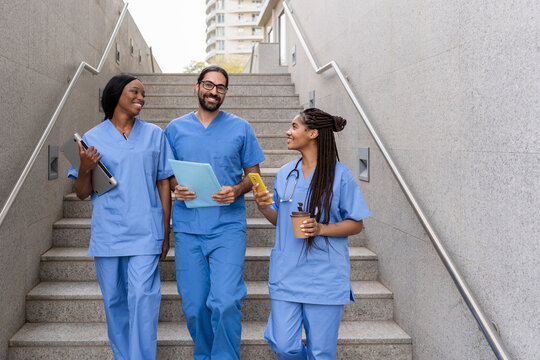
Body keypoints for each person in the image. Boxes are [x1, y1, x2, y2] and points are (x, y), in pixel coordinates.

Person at [68, 74, 174, 359]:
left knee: (142, 298)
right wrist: (84, 167)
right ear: (116, 95)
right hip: (109, 231)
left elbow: (164, 182)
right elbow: (80, 192)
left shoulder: (155, 134)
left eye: (143, 93)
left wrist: (165, 229)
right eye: (135, 92)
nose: (141, 97)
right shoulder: (91, 137)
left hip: (145, 230)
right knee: (115, 301)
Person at [252, 108, 371, 360]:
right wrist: (263, 206)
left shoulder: (340, 175)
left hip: (324, 277)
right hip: (287, 274)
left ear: (313, 133)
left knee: (321, 353)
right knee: (284, 345)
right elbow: (281, 221)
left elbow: (356, 224)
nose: (288, 131)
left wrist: (321, 228)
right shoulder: (285, 173)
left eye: (294, 126)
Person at [164, 65, 265, 359]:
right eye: (209, 85)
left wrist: (236, 189)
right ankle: (205, 354)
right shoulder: (175, 129)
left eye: (221, 87)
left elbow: (254, 176)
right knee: (194, 305)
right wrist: (175, 187)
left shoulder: (241, 128)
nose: (214, 91)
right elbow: (167, 174)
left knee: (225, 301)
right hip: (188, 227)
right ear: (197, 87)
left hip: (227, 228)